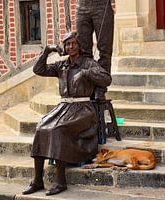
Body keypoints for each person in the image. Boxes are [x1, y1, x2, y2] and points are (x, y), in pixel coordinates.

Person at [22, 32, 111, 196]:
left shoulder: (88, 63)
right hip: (64, 107)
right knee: (42, 127)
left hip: (83, 109)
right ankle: (37, 181)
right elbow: (38, 69)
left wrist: (85, 73)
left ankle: (60, 181)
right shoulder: (61, 66)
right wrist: (47, 51)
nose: (70, 47)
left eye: (74, 43)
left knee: (59, 130)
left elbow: (106, 79)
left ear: (80, 46)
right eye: (67, 44)